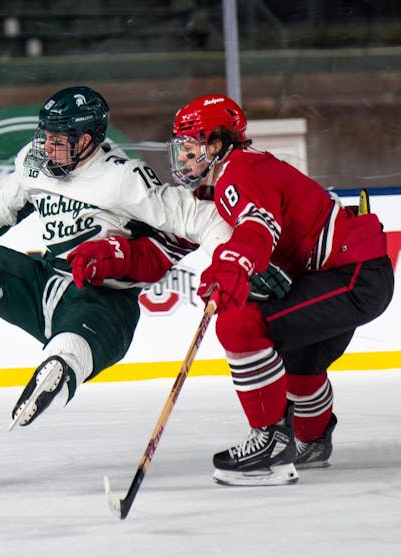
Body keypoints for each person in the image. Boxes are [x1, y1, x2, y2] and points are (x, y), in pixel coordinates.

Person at [0, 86, 232, 427]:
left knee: (65, 352)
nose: (46, 147)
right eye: (44, 136)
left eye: (58, 141)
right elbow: (0, 211)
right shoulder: (34, 163)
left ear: (87, 141)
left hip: (101, 298)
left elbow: (201, 218)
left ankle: (60, 372)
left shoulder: (123, 178)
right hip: (45, 285)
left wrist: (229, 263)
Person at [169, 94, 394, 486]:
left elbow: (258, 225)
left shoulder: (240, 172)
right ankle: (313, 439)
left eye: (192, 146)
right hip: (347, 272)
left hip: (354, 275)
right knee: (298, 363)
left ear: (218, 144)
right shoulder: (231, 177)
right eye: (183, 148)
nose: (184, 157)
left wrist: (231, 265)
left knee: (239, 324)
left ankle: (271, 445)